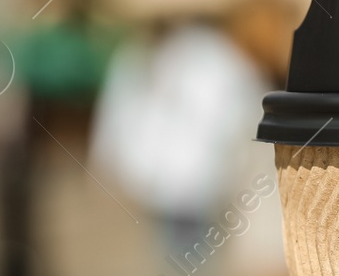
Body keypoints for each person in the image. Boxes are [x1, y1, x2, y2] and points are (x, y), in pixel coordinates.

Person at [92, 16, 267, 263]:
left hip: (182, 177)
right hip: (180, 178)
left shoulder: (207, 57)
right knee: (187, 253)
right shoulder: (145, 58)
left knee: (185, 253)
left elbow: (117, 115)